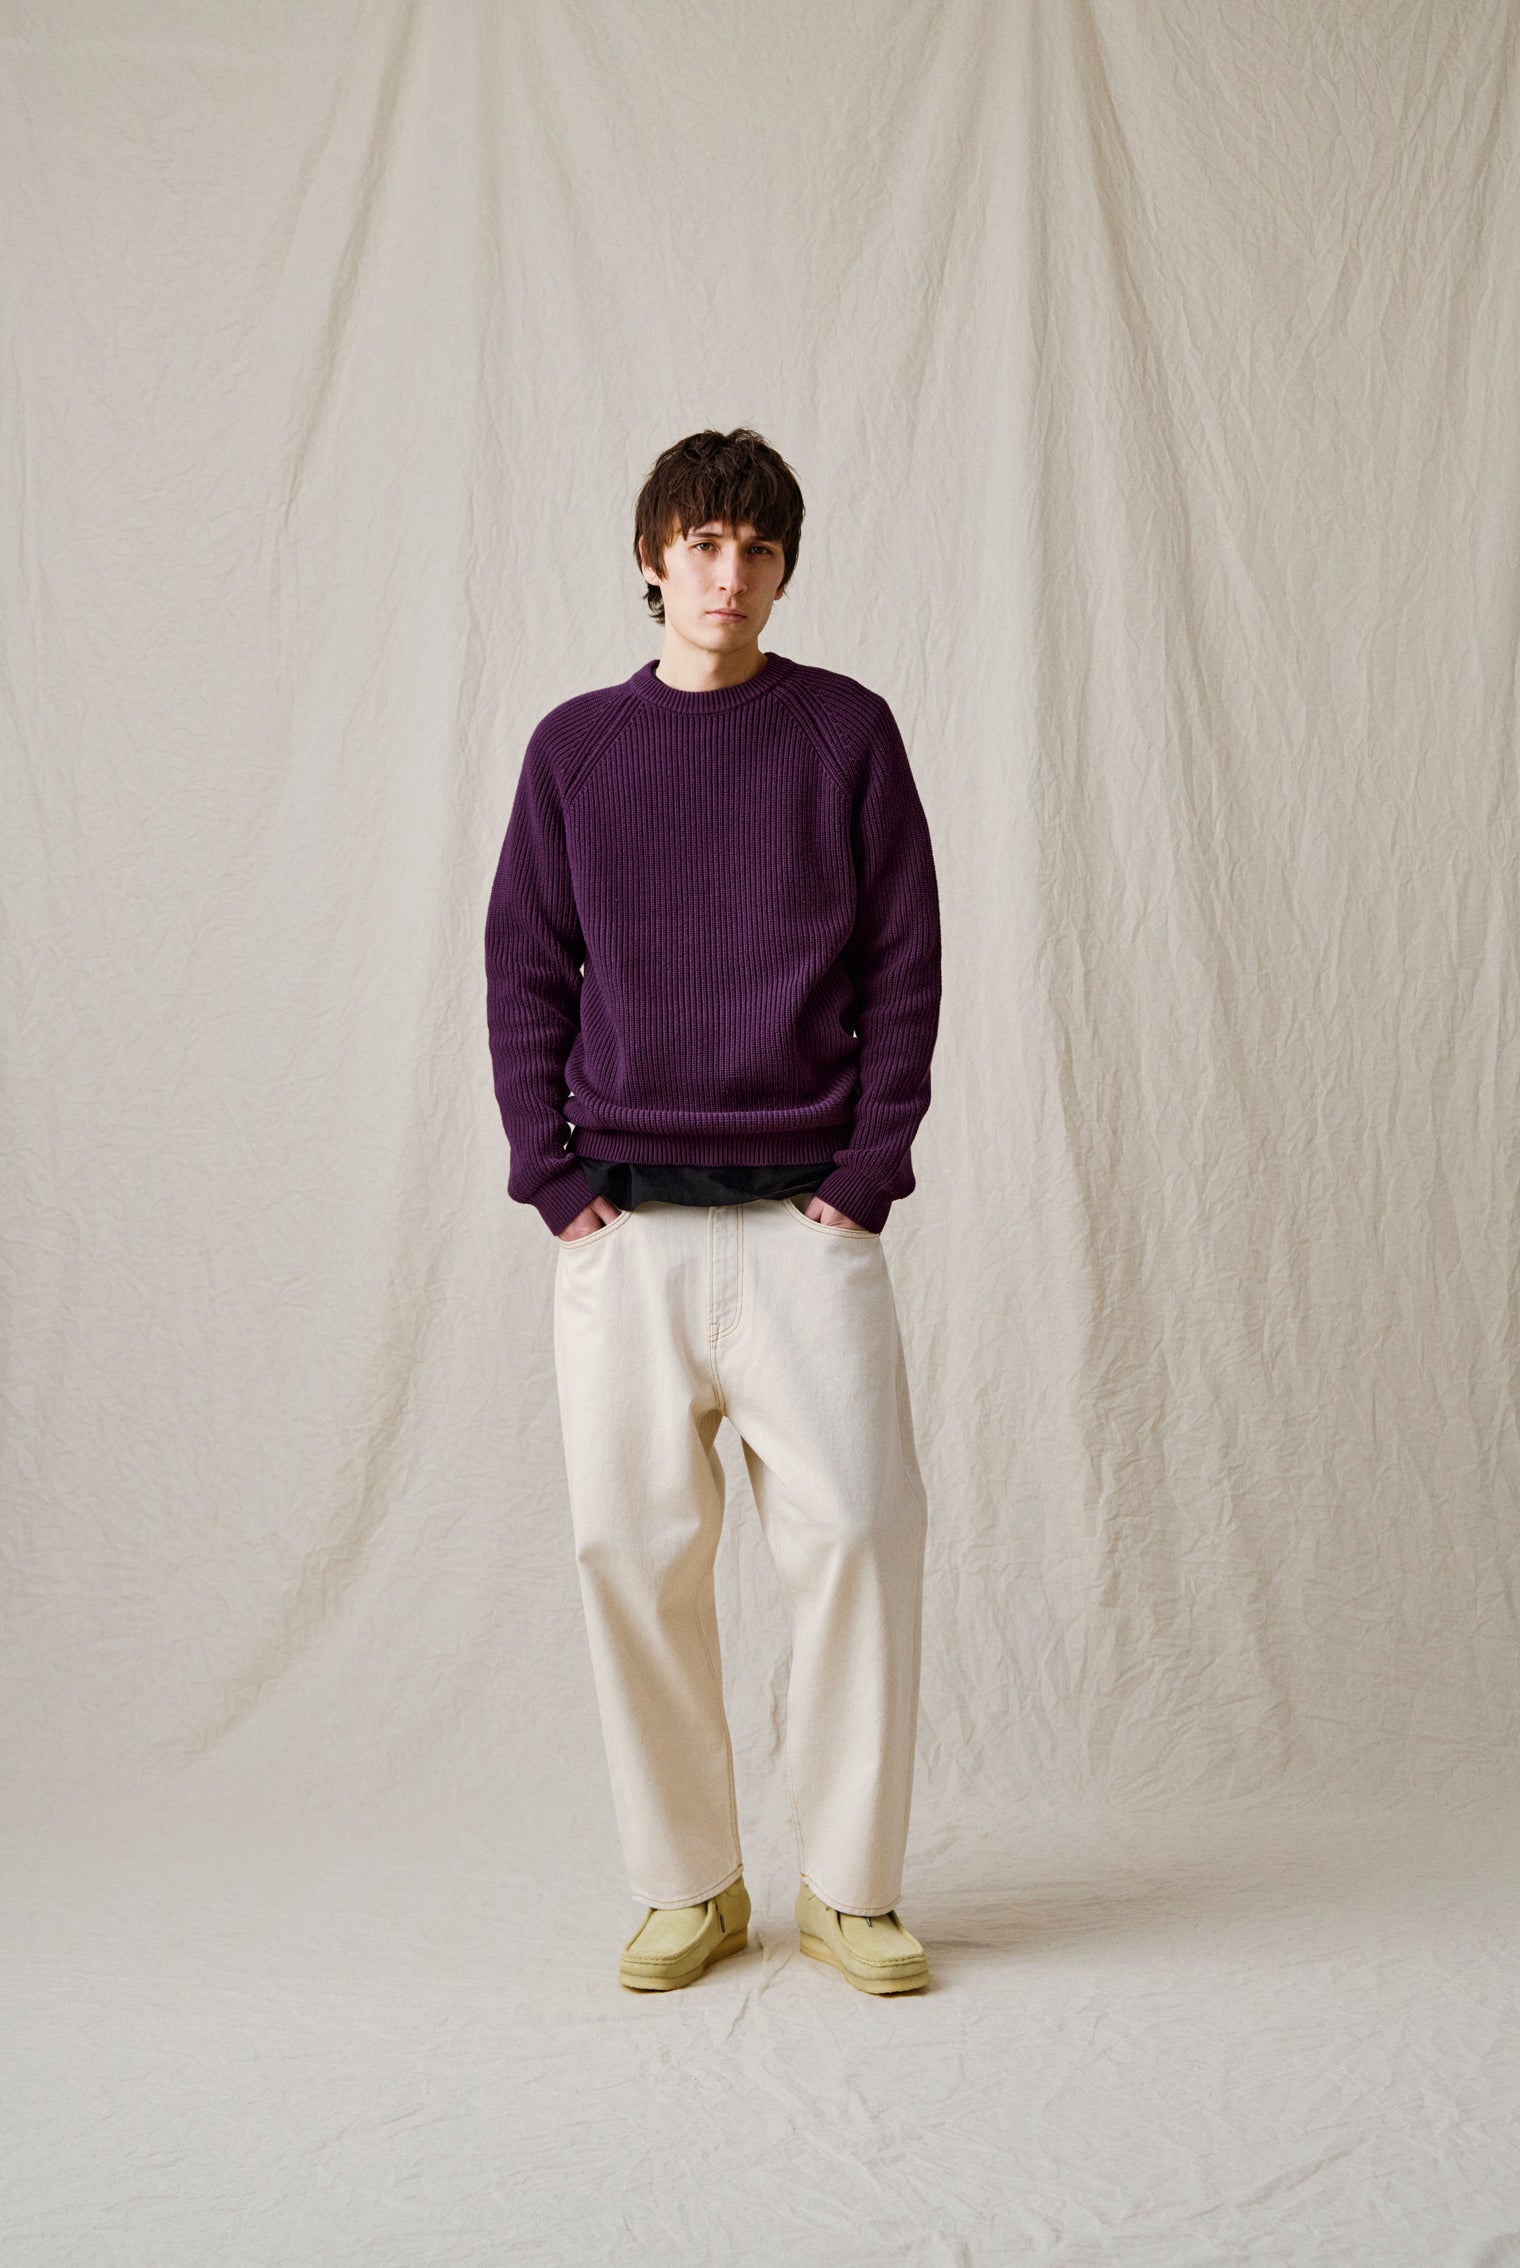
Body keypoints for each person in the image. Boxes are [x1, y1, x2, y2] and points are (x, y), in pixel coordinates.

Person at [484, 426, 942, 1996]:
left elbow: (904, 965)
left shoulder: (845, 734)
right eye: (700, 545)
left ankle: (851, 1892)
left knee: (862, 1539)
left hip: (809, 1223)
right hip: (625, 1230)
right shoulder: (575, 751)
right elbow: (526, 971)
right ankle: (687, 1885)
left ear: (784, 567)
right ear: (652, 559)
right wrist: (553, 1181)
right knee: (630, 1555)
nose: (727, 575)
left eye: (755, 549)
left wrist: (865, 1176)